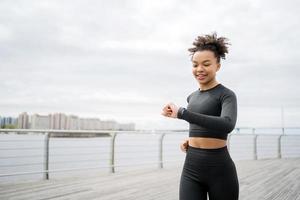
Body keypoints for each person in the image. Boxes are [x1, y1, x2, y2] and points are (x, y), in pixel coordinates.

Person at [161, 32, 239, 200]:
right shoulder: (192, 97)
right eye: (195, 65)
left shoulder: (226, 95)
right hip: (191, 168)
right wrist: (192, 140)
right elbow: (199, 124)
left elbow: (227, 124)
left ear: (217, 66)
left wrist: (182, 113)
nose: (199, 69)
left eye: (206, 64)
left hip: (220, 169)